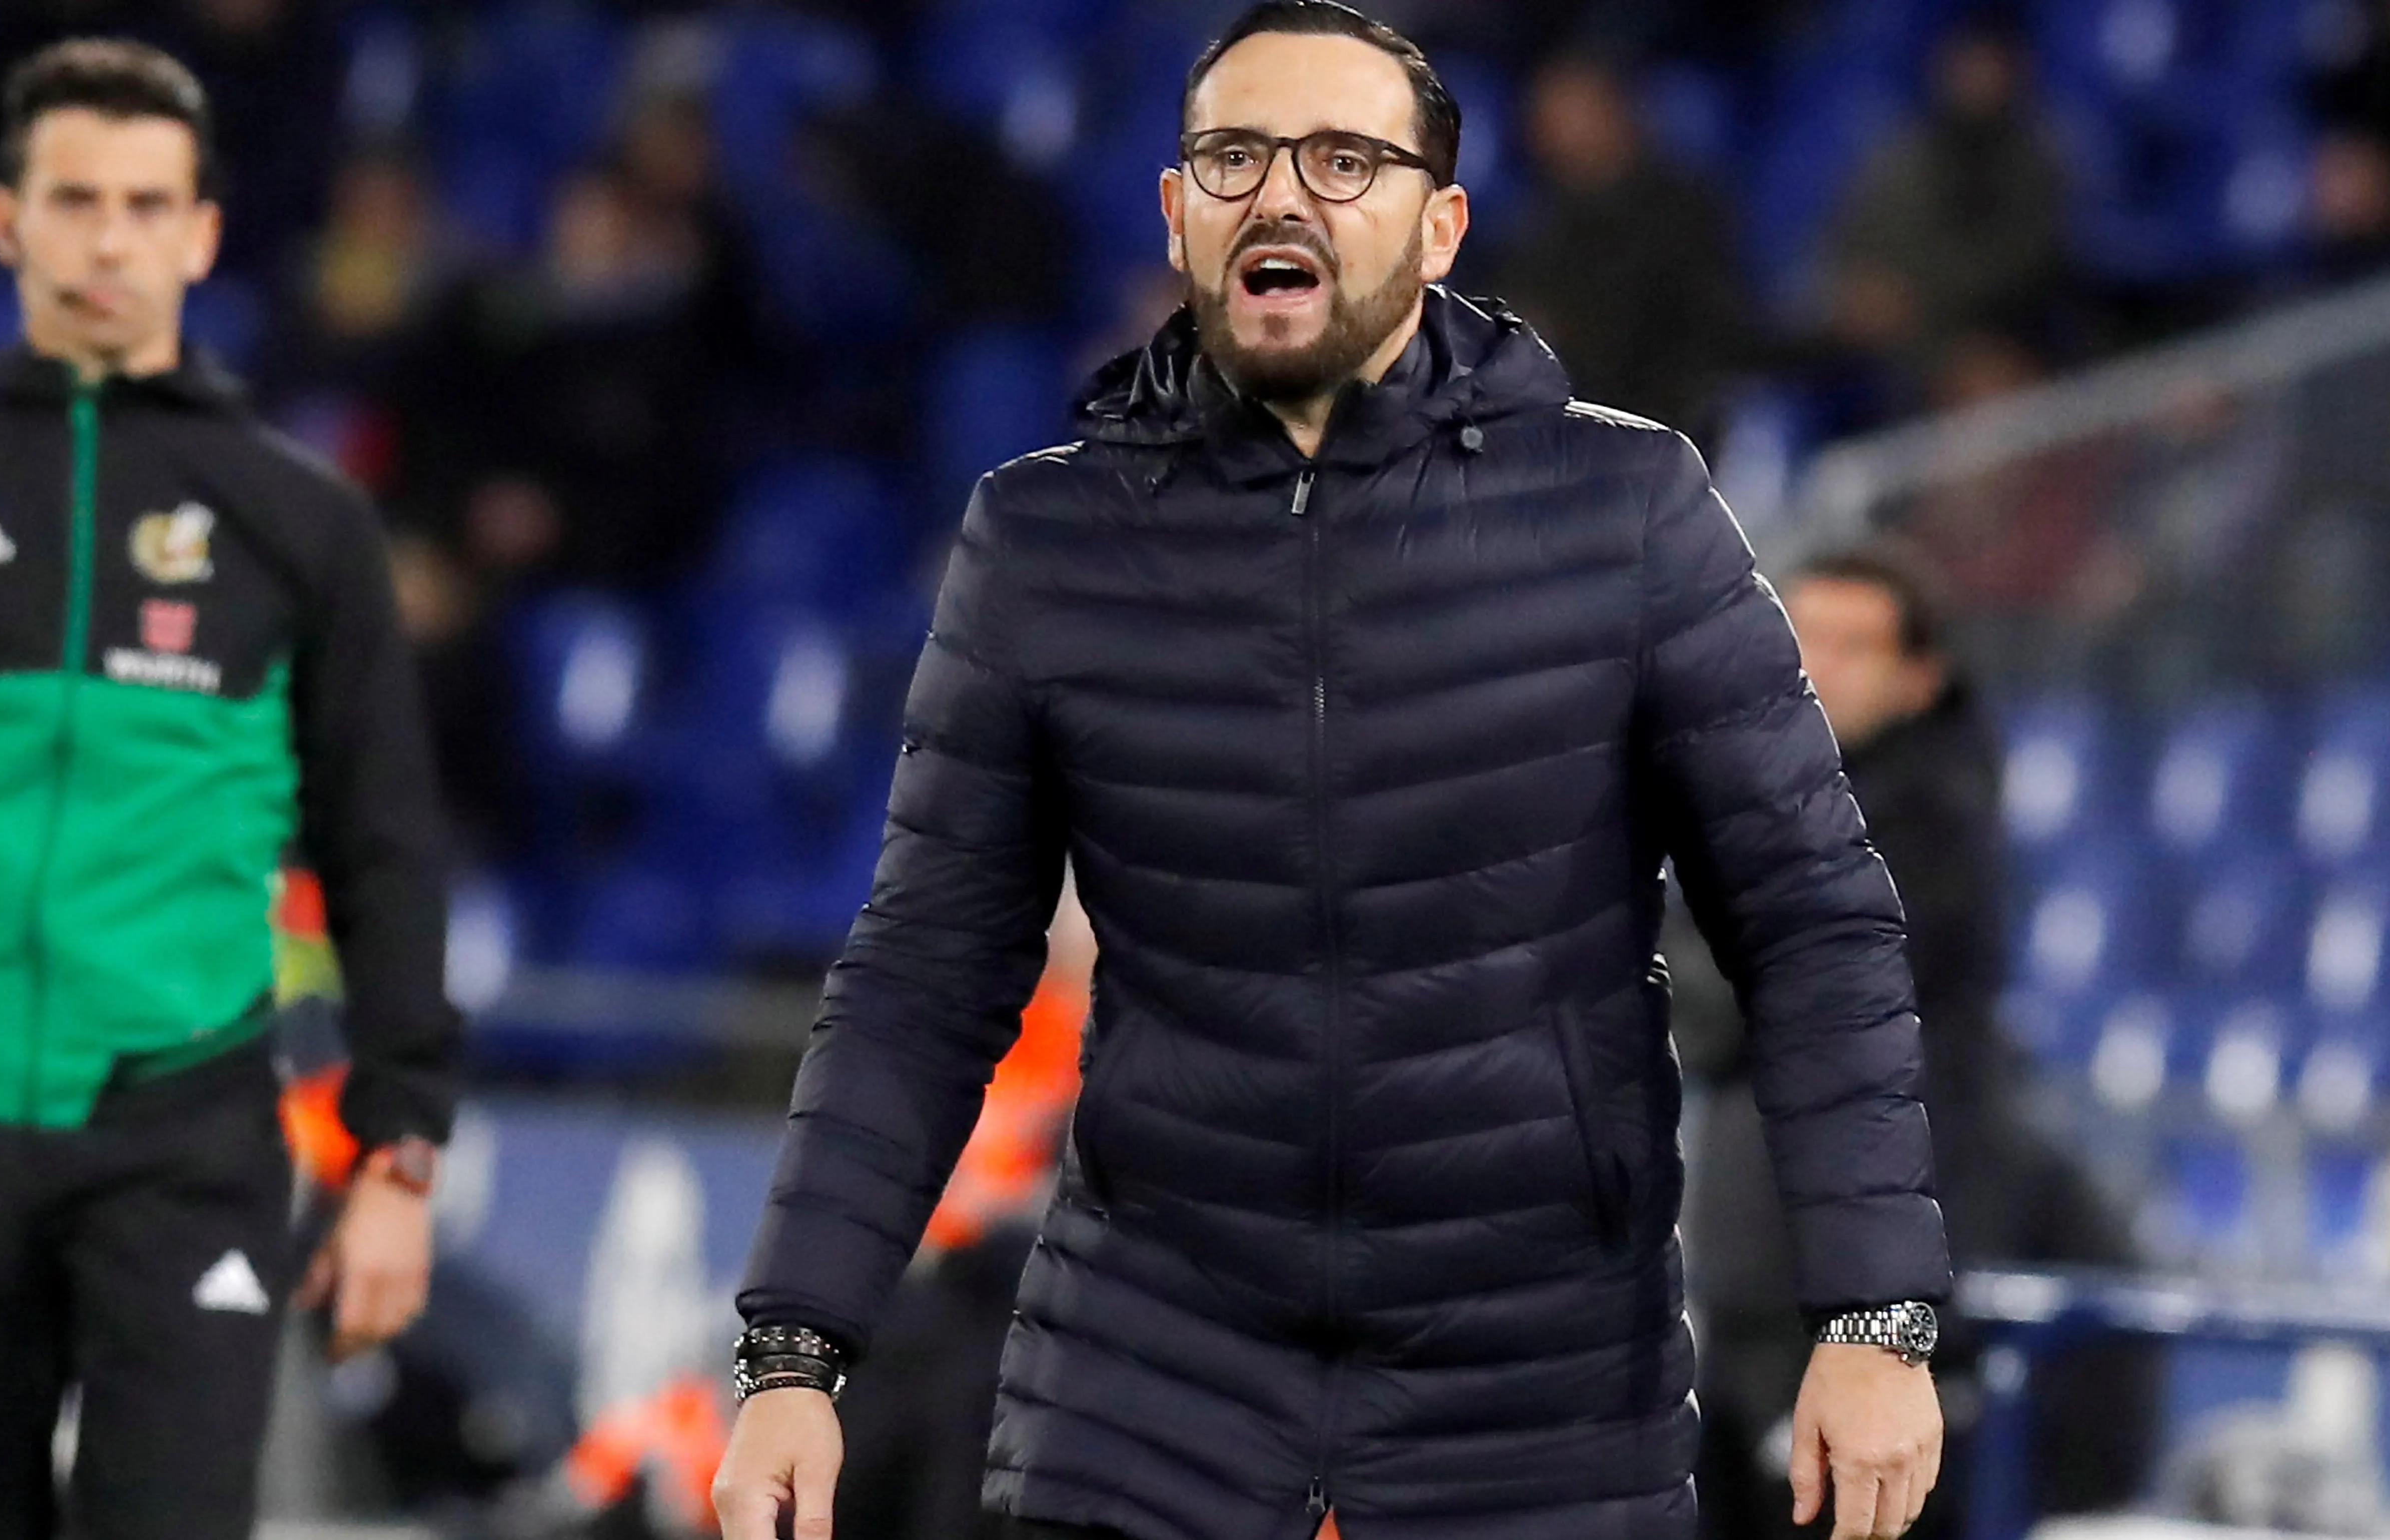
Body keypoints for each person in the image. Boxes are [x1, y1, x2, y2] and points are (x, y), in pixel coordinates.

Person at [712, 6, 1950, 1540]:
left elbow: (1813, 918)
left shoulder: (1627, 510)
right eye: (1233, 156)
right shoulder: (1049, 543)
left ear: (1441, 227)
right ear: (1176, 213)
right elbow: (922, 970)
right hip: (1147, 1368)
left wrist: (1875, 1312)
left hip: (1537, 1382)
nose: (1281, 196)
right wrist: (794, 1352)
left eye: (1344, 160)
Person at [0, 39, 459, 1539]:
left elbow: (386, 846)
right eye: (74, 199)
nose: (110, 239)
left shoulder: (298, 525)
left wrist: (399, 1157)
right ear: (5, 221)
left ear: (204, 235)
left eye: (149, 205)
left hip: (184, 1140)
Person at [1681, 543, 2155, 1537]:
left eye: (1855, 644)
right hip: (1757, 1290)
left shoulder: (1921, 825)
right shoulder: (1760, 806)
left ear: (1920, 677)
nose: (1816, 663)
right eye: (1800, 633)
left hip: (1853, 1312)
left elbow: (1723, 1003)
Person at [1490, 50, 1752, 439]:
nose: (1555, 133)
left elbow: (1699, 326)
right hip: (1564, 417)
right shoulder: (1543, 217)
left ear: (1616, 112)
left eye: (1573, 114)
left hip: (1670, 413)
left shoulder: (1682, 208)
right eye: (1546, 117)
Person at [1824, 13, 2066, 376]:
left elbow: (2025, 260)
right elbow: (1850, 246)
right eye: (1966, 66)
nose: (1976, 80)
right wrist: (1858, 292)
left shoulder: (2040, 158)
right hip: (1907, 343)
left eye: (1987, 67)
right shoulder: (1903, 160)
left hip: (2004, 331)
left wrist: (1917, 296)